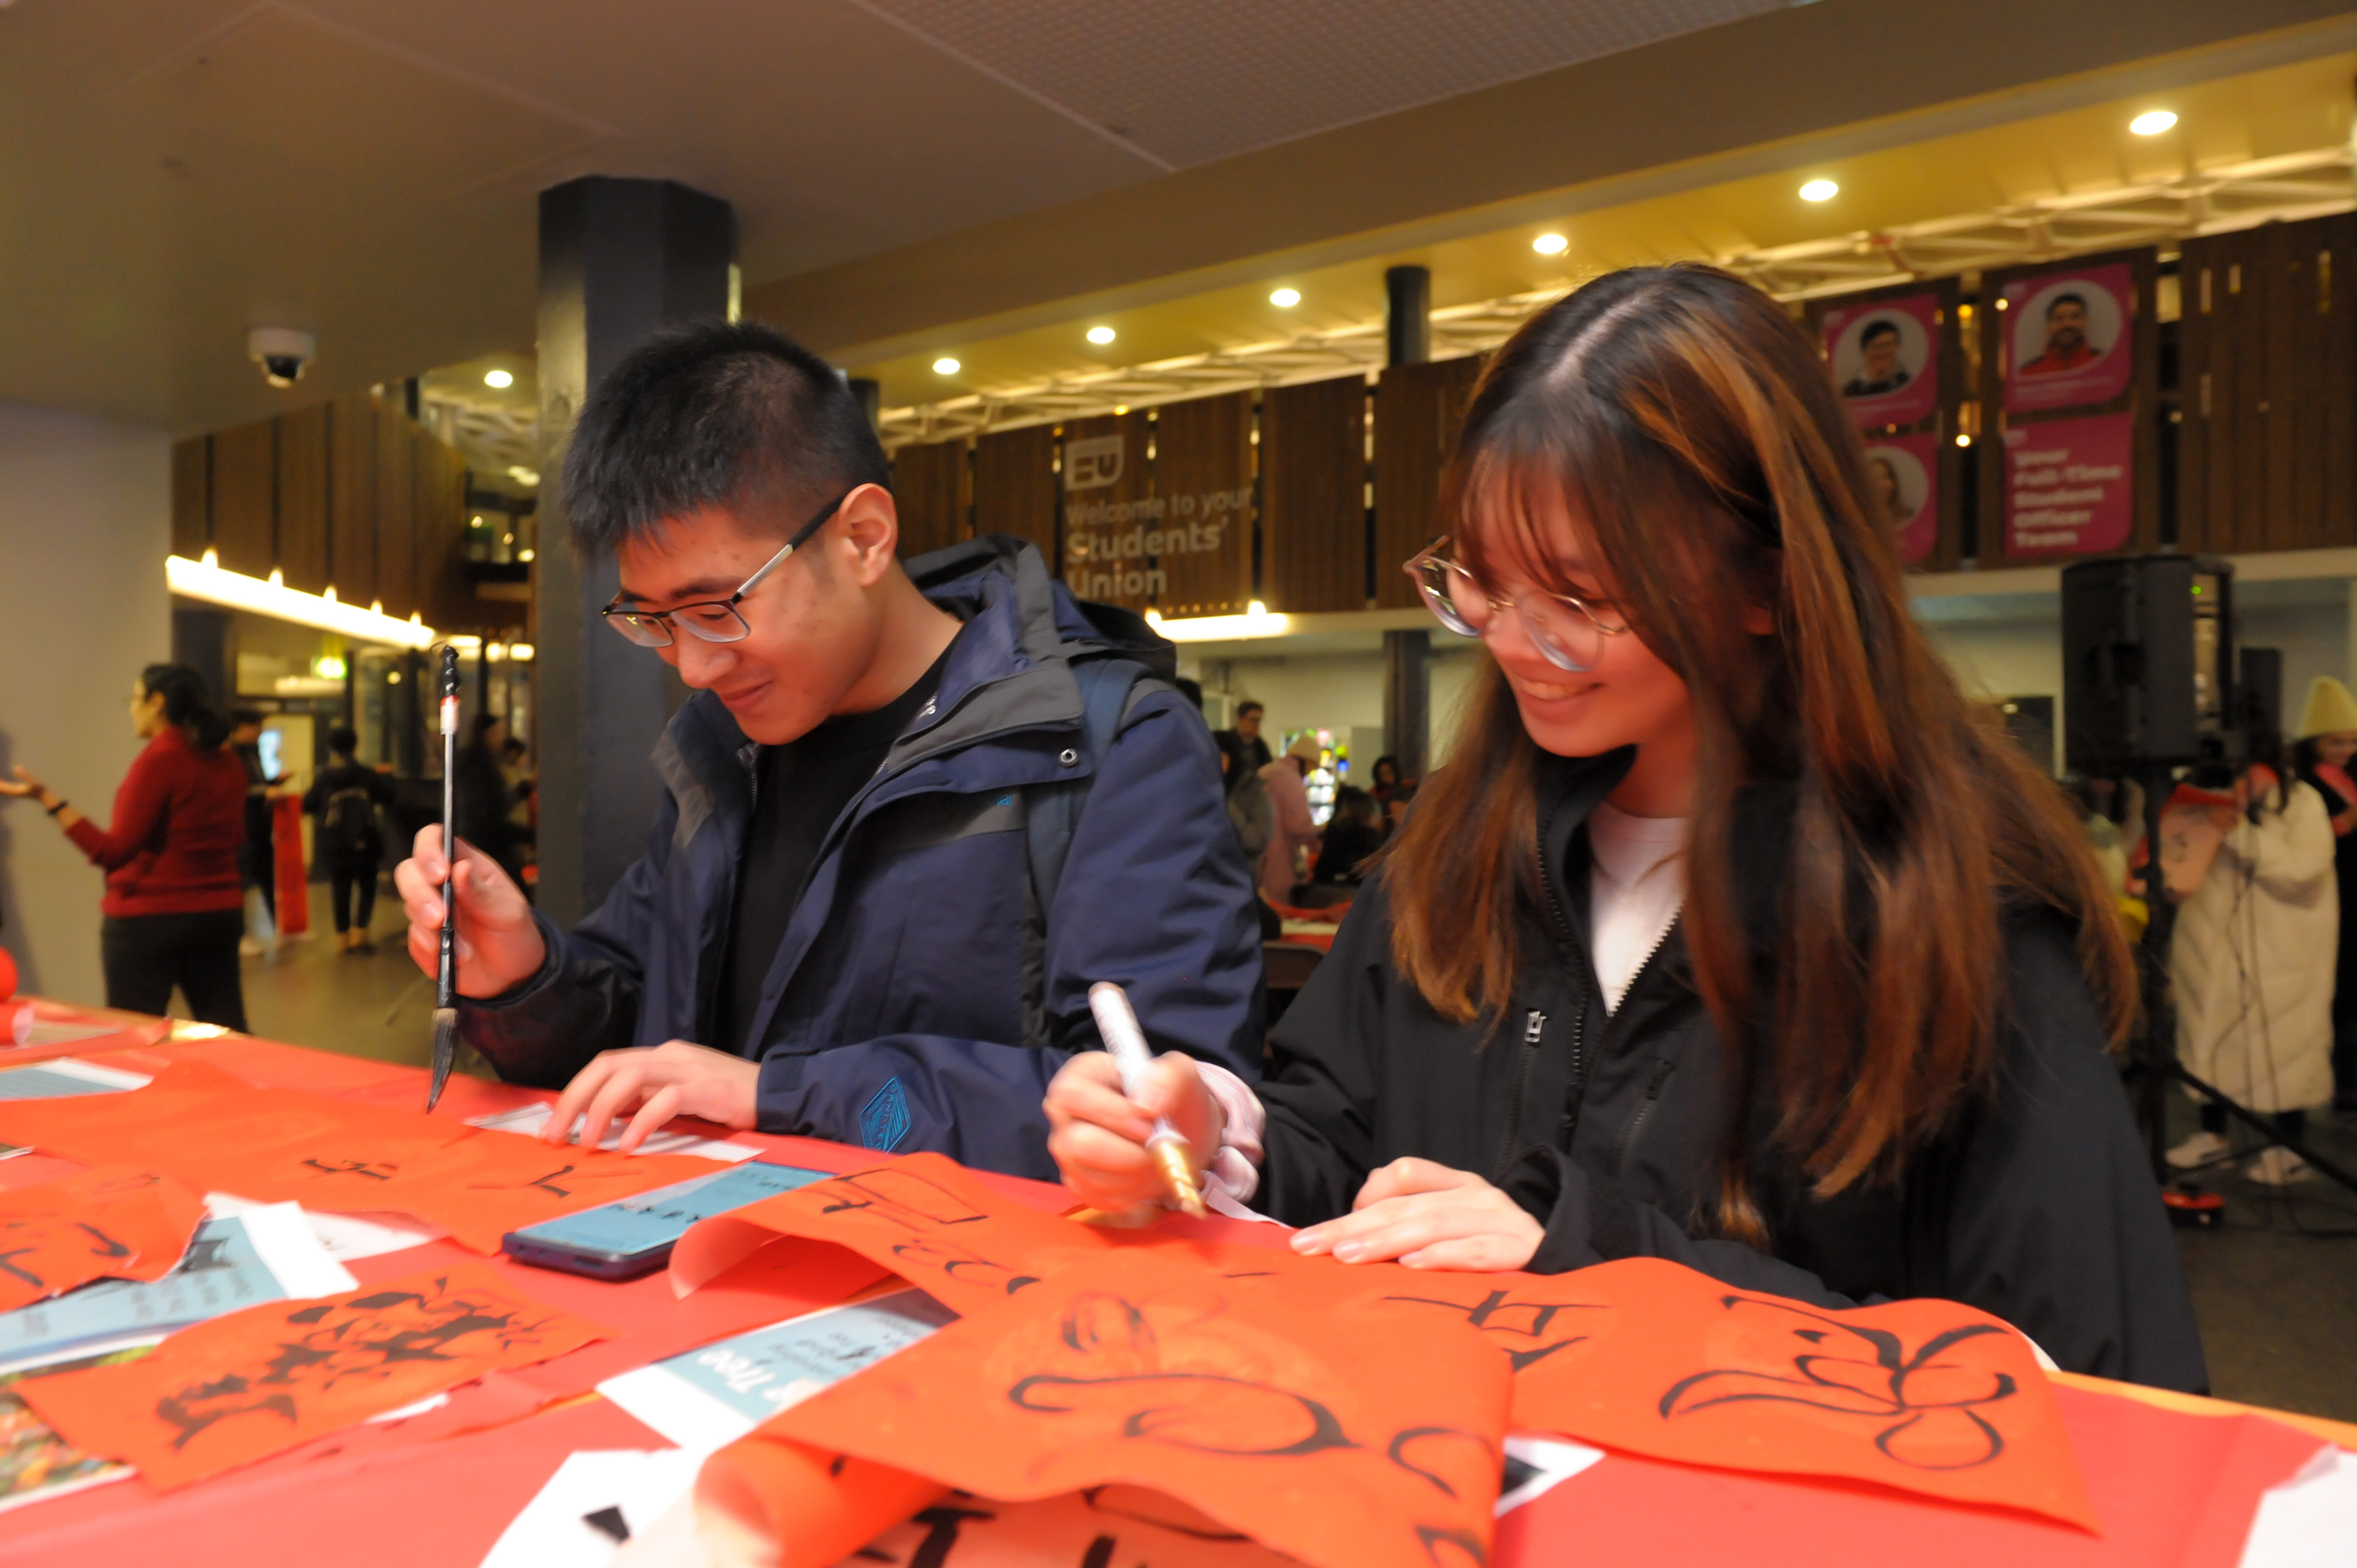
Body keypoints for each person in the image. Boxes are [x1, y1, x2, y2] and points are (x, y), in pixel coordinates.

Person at [1046, 263, 2205, 1391]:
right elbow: (1348, 1163)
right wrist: (1209, 1136)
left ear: (1769, 585)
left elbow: (2072, 1385)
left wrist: (1587, 1268)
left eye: (1580, 600)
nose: (1508, 639)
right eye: (1481, 581)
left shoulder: (1952, 919)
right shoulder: (1459, 852)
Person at [394, 319, 1263, 1175]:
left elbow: (1160, 1119)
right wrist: (526, 974)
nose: (694, 665)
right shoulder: (722, 746)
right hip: (719, 1268)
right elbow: (646, 1042)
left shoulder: (1107, 743)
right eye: (651, 619)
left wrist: (782, 1094)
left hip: (978, 1294)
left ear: (863, 538)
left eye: (715, 606)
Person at [0, 665, 248, 1029]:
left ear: (157, 702)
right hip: (220, 915)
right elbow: (237, 838)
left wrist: (47, 799)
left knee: (135, 1034)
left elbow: (111, 852)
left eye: (134, 699)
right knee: (227, 1027)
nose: (131, 709)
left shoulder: (160, 760)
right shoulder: (228, 763)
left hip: (149, 921)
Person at [2166, 723, 2339, 1185]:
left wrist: (2243, 833)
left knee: (2283, 1043)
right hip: (2210, 946)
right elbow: (2177, 869)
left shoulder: (2303, 803)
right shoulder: (2208, 798)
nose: (2241, 782)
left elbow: (2304, 870)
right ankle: (2213, 1137)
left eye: (2249, 772)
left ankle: (2289, 1145)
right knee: (2209, 1037)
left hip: (2283, 948)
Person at [2292, 676, 2357, 1112]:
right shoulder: (2305, 787)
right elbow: (2312, 840)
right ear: (2315, 742)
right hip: (2334, 892)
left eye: (2352, 741)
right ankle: (2342, 1079)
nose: (2347, 750)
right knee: (2340, 991)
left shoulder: (2346, 776)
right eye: (2337, 742)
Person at [303, 726, 395, 954]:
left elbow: (308, 805)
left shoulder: (324, 776)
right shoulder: (367, 774)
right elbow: (387, 797)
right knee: (366, 887)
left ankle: (342, 938)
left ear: (332, 748)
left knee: (340, 889)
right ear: (355, 745)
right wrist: (386, 775)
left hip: (334, 843)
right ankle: (360, 935)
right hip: (364, 840)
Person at [228, 708, 282, 950]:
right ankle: (241, 936)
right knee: (243, 882)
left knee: (268, 877)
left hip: (260, 825)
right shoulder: (230, 754)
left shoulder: (253, 752)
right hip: (243, 826)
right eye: (256, 726)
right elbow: (237, 789)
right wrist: (264, 791)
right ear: (242, 727)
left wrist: (273, 783)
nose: (260, 731)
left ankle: (280, 926)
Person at [454, 714, 523, 888]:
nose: (501, 739)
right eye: (497, 732)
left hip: (479, 841)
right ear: (487, 734)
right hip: (488, 845)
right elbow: (487, 814)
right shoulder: (480, 768)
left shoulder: (476, 763)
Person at [1258, 733, 1323, 904]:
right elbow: (1299, 825)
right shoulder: (1291, 778)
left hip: (1257, 854)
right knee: (1280, 908)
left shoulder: (1266, 770)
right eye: (1313, 766)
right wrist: (1320, 830)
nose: (1311, 771)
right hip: (1280, 859)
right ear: (1306, 760)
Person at [1213, 729, 1274, 866]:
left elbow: (1257, 842)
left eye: (1219, 756)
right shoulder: (1200, 787)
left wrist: (1224, 803)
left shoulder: (1252, 789)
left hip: (1238, 878)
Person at [1311, 786, 1384, 886]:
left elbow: (1322, 869)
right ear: (1369, 813)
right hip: (1354, 895)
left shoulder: (1333, 833)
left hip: (1325, 891)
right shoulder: (1371, 839)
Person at [2021, 291, 2098, 376]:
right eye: (2059, 318)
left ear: (2085, 322)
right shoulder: (2028, 372)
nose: (2067, 324)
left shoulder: (2105, 363)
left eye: (2075, 316)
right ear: (2048, 326)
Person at [1841, 318, 1909, 397]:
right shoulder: (1850, 392)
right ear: (1864, 351)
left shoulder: (1909, 384)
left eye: (1887, 345)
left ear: (1897, 347)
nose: (1882, 352)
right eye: (1874, 347)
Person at [1866, 454, 1912, 528]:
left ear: (1894, 482)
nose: (1880, 484)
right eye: (1874, 479)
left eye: (1885, 477)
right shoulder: (1858, 520)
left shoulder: (1909, 516)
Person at [1230, 700, 1272, 771]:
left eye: (1259, 721)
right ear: (1240, 720)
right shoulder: (1225, 743)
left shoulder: (1261, 747)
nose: (1257, 725)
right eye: (1253, 720)